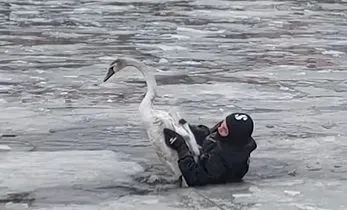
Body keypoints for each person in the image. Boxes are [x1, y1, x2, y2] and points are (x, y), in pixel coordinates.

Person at [163, 113, 257, 187]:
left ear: (233, 137)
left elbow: (194, 178)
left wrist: (181, 148)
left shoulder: (224, 159)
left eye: (224, 129)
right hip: (210, 156)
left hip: (212, 176)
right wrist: (189, 129)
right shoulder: (228, 138)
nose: (219, 128)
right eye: (222, 124)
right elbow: (211, 134)